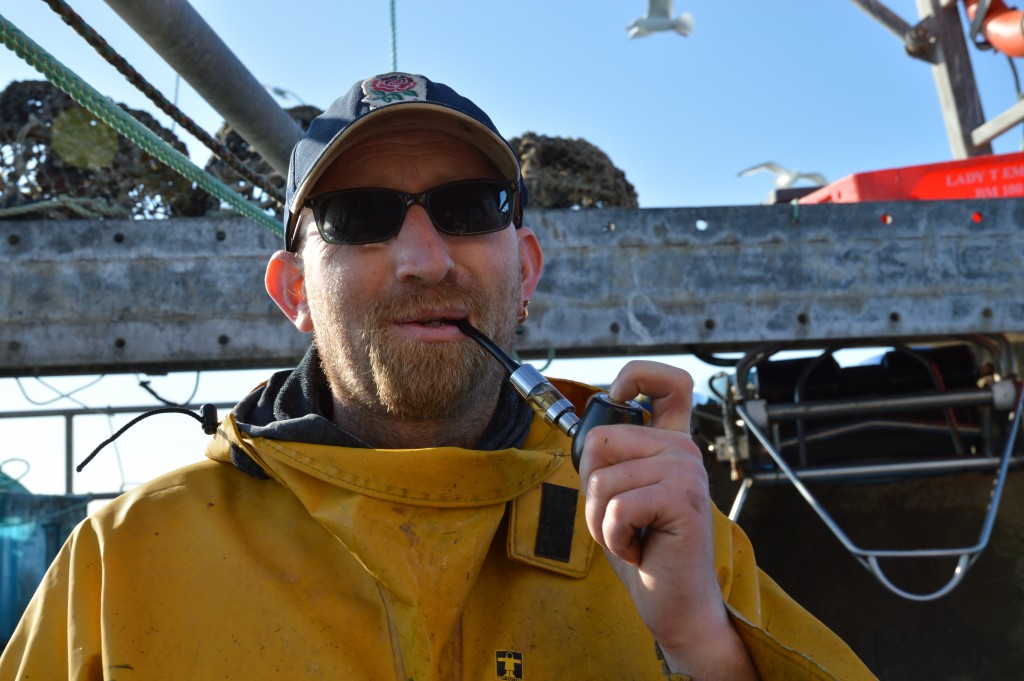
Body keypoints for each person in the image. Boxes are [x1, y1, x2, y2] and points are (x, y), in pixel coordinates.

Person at [0, 72, 875, 680]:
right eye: (361, 217)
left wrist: (705, 645)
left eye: (467, 209)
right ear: (294, 290)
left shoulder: (682, 544)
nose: (423, 258)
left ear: (525, 271)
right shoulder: (121, 561)